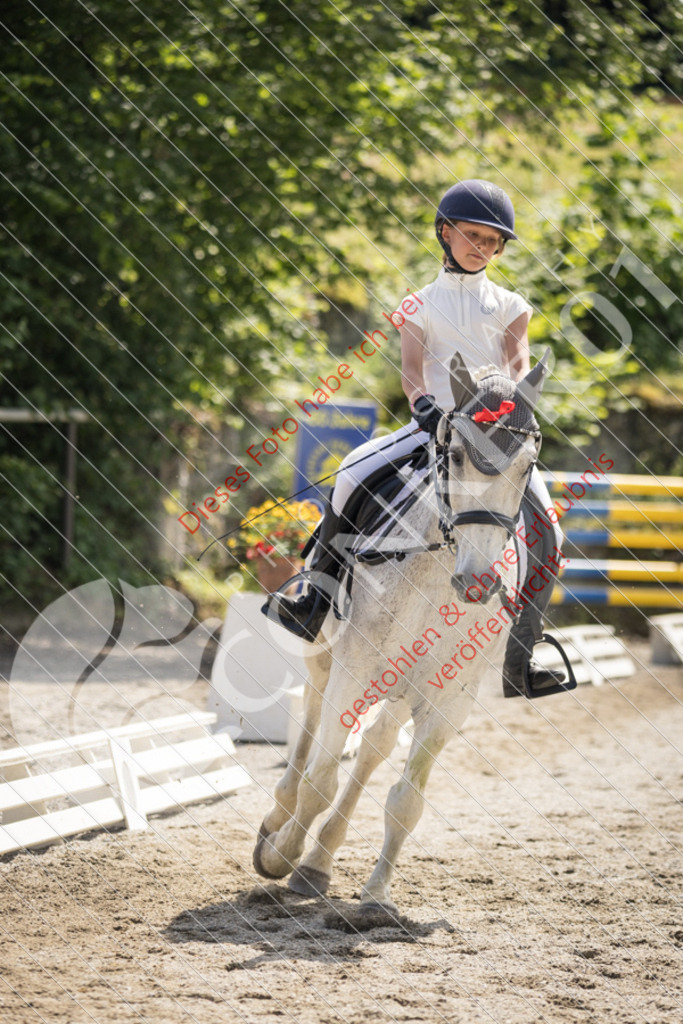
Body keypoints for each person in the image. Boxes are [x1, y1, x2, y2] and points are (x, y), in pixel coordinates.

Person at [263, 179, 565, 697]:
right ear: (444, 233)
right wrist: (425, 407)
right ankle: (315, 599)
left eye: (493, 242)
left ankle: (523, 655)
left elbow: (516, 364)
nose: (483, 249)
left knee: (551, 536)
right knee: (353, 475)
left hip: (493, 438)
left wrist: (515, 405)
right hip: (434, 427)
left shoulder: (512, 304)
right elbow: (411, 371)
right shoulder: (419, 304)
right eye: (473, 236)